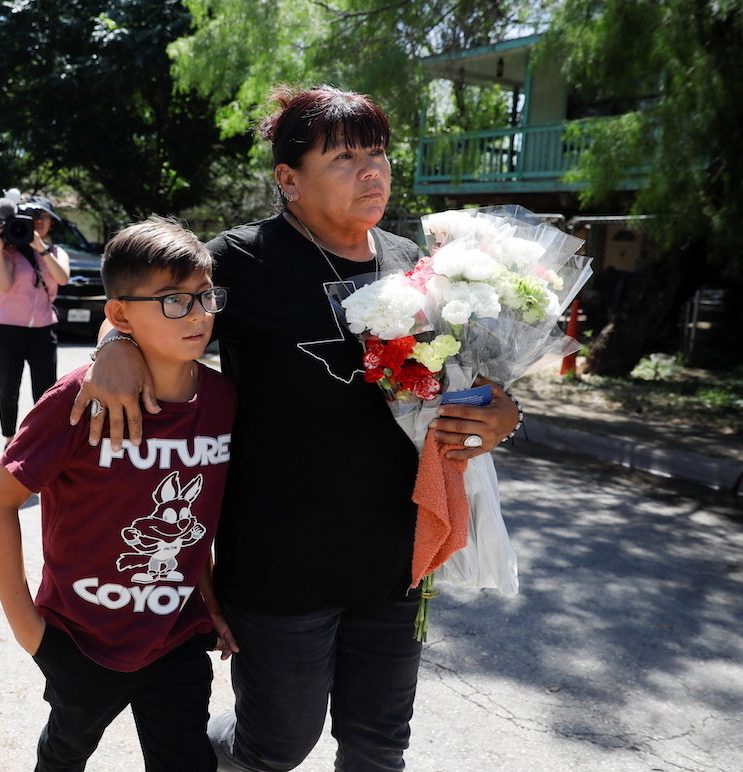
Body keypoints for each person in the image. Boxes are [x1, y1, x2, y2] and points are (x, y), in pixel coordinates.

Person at [72, 86, 521, 771]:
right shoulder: (242, 260)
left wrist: (501, 413)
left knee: (378, 748)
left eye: (378, 153)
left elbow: (470, 387)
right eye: (343, 157)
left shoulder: (416, 267)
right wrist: (113, 344)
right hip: (278, 567)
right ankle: (214, 747)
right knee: (277, 745)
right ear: (288, 179)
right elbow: (150, 300)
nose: (371, 171)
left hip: (395, 559)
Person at [0, 216, 238, 771]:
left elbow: (197, 524)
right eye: (173, 301)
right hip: (80, 642)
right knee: (64, 754)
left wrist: (212, 606)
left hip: (177, 637)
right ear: (120, 315)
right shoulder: (79, 400)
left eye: (204, 297)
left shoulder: (223, 401)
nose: (197, 314)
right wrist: (29, 629)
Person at [0, 196, 70, 445]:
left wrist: (41, 248)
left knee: (45, 390)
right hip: (7, 328)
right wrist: (0, 247)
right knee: (8, 388)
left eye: (42, 219)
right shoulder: (11, 252)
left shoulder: (57, 252)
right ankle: (9, 438)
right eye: (32, 219)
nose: (37, 223)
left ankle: (40, 438)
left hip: (43, 329)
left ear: (51, 224)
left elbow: (63, 277)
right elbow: (3, 285)